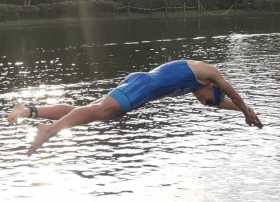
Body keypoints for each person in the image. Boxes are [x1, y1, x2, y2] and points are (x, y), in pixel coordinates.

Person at [7, 59, 263, 156]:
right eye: (208, 100)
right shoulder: (209, 73)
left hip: (140, 89)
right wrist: (247, 110)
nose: (206, 104)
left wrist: (242, 112)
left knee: (87, 111)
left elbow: (222, 102)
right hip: (143, 86)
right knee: (95, 112)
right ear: (211, 87)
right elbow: (233, 94)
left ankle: (28, 111)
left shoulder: (199, 87)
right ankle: (49, 131)